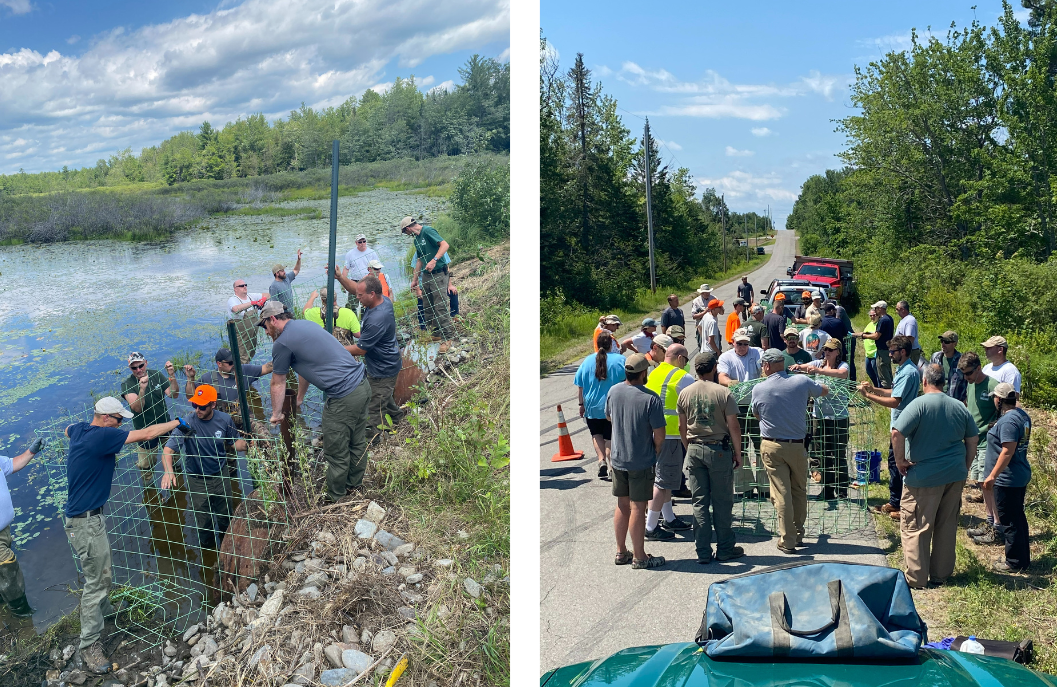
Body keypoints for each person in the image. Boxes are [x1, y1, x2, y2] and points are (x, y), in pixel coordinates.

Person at [63, 397, 181, 673]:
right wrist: (177, 422)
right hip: (86, 522)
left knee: (101, 570)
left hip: (83, 518)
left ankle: (104, 610)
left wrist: (76, 431)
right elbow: (148, 433)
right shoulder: (102, 437)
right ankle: (89, 644)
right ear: (105, 419)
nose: (120, 425)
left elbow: (68, 429)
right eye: (118, 420)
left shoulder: (81, 429)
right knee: (97, 580)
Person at [258, 300, 371, 501]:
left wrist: (276, 414)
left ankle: (336, 498)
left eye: (265, 326)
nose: (266, 332)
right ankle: (354, 485)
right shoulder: (304, 325)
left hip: (344, 395)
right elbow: (306, 367)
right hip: (362, 386)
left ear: (273, 320)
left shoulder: (282, 342)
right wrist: (300, 398)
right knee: (357, 441)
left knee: (336, 451)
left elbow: (277, 382)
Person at [890, 364, 978, 588]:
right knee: (946, 524)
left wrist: (900, 461)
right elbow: (972, 439)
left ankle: (917, 578)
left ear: (925, 381)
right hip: (954, 474)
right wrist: (965, 466)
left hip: (923, 477)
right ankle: (941, 574)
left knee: (917, 525)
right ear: (944, 382)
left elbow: (897, 432)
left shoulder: (918, 405)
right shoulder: (959, 406)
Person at [751, 349, 828, 554]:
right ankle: (799, 533)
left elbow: (757, 415)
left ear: (766, 366)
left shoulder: (759, 388)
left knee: (781, 493)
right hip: (798, 445)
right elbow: (824, 390)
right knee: (799, 491)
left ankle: (788, 540)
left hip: (772, 445)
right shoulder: (801, 382)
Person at [678, 350, 745, 564]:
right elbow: (733, 426)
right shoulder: (723, 393)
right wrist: (738, 452)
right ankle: (725, 547)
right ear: (714, 368)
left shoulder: (685, 393)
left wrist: (689, 447)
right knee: (722, 501)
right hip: (718, 449)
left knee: (699, 502)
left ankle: (703, 551)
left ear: (696, 370)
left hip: (695, 448)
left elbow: (682, 426)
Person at [162, 385, 247, 550]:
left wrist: (249, 445)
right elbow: (168, 450)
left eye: (201, 406)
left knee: (226, 516)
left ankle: (227, 549)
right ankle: (209, 554)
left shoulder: (224, 419)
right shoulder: (187, 424)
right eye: (194, 405)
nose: (197, 410)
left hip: (221, 474)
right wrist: (168, 470)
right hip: (197, 480)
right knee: (204, 522)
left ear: (213, 405)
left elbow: (234, 443)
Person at [606, 353, 666, 570]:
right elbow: (659, 434)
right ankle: (640, 556)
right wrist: (656, 451)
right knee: (638, 508)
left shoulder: (614, 391)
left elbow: (609, 417)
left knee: (622, 505)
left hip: (618, 458)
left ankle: (621, 551)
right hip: (640, 460)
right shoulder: (650, 398)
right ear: (643, 373)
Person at [335, 274, 407, 445]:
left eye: (361, 296)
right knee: (382, 395)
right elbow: (357, 289)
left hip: (384, 368)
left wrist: (335, 350)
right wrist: (339, 277)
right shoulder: (382, 300)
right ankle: (398, 417)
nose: (357, 297)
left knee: (373, 407)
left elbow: (360, 349)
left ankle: (373, 440)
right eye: (358, 294)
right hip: (382, 363)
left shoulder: (377, 318)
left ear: (372, 294)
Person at [858, 335, 921, 520]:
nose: (890, 355)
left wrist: (867, 397)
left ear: (903, 352)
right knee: (895, 463)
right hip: (898, 426)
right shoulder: (903, 369)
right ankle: (895, 502)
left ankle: (899, 504)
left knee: (898, 465)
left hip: (903, 428)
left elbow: (895, 401)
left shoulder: (909, 372)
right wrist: (873, 389)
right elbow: (894, 392)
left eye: (893, 352)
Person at [643, 344, 695, 542]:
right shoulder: (683, 377)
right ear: (681, 358)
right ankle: (651, 526)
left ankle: (669, 518)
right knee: (663, 481)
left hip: (651, 432)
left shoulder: (654, 373)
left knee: (661, 478)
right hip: (671, 434)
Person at [982, 382, 1032, 572]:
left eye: (995, 397)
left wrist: (992, 476)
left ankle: (1014, 563)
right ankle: (1022, 559)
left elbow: (1007, 451)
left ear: (999, 400)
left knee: (1009, 521)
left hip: (1007, 479)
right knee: (1017, 518)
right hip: (1018, 474)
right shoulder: (1022, 416)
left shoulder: (1009, 421)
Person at [791, 338, 850, 501]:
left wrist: (819, 371)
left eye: (831, 350)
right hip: (820, 416)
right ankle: (828, 489)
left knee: (838, 453)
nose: (827, 352)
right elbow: (805, 366)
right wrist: (798, 367)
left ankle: (842, 488)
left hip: (838, 417)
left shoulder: (843, 366)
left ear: (838, 352)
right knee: (822, 452)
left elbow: (842, 374)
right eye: (825, 350)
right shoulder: (818, 363)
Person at [717, 329, 765, 497]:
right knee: (740, 447)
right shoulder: (726, 357)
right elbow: (721, 375)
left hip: (756, 405)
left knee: (761, 446)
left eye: (746, 343)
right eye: (740, 343)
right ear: (733, 343)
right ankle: (744, 486)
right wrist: (729, 382)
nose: (743, 346)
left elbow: (765, 364)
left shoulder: (757, 352)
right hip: (737, 407)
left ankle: (764, 486)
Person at [0, 437, 44, 617]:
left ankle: (3, 600)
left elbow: (12, 464)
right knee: (7, 564)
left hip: (4, 529)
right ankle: (20, 610)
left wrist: (31, 451)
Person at [574, 330, 626, 480]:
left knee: (596, 434)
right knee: (610, 436)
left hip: (592, 405)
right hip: (613, 405)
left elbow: (580, 386)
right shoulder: (620, 360)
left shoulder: (587, 361)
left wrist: (581, 404)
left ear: (596, 345)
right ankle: (611, 466)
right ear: (611, 344)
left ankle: (601, 460)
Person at [957, 352, 1000, 527]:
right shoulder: (970, 384)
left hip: (986, 442)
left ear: (979, 368)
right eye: (964, 374)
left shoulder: (993, 386)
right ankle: (990, 520)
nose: (966, 377)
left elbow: (1004, 413)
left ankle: (997, 524)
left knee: (988, 483)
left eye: (969, 373)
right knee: (981, 483)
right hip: (972, 440)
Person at [401, 216, 456, 353]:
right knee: (428, 305)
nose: (406, 235)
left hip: (438, 274)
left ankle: (447, 337)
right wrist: (415, 278)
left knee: (440, 306)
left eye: (405, 232)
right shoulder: (416, 240)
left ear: (408, 228)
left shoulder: (428, 231)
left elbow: (445, 245)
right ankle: (436, 333)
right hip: (426, 275)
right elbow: (420, 259)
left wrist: (434, 260)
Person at [182, 349, 273, 425]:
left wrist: (283, 357)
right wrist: (190, 378)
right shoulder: (208, 378)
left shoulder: (243, 370)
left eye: (235, 361)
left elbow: (265, 368)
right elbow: (190, 396)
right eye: (230, 363)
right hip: (219, 422)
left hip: (245, 420)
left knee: (263, 435)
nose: (234, 364)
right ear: (219, 364)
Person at [121, 352, 179, 470]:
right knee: (146, 466)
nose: (138, 370)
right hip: (144, 432)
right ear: (130, 368)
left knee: (174, 460)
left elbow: (173, 394)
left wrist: (171, 375)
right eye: (134, 368)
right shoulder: (127, 384)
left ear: (146, 363)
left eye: (141, 365)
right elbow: (137, 408)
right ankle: (149, 486)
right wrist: (142, 389)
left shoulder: (156, 375)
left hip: (165, 425)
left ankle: (177, 481)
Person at [226, 279, 267, 363]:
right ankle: (239, 374)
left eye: (245, 285)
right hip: (241, 336)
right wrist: (252, 303)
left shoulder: (251, 296)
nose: (244, 287)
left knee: (251, 353)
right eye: (241, 286)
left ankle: (245, 372)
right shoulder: (232, 300)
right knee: (242, 356)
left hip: (252, 335)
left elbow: (268, 294)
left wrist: (263, 299)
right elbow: (235, 309)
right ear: (235, 289)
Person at [857, 300, 894, 388]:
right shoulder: (889, 318)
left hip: (882, 350)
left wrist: (864, 336)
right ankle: (890, 390)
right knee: (887, 371)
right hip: (887, 349)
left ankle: (885, 393)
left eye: (876, 308)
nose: (875, 310)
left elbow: (877, 336)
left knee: (883, 373)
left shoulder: (883, 320)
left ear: (880, 308)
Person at [341, 233, 380, 307]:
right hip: (354, 282)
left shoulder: (372, 253)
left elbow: (378, 267)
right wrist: (343, 282)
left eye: (364, 241)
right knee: (352, 305)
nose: (362, 243)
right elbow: (346, 268)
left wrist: (377, 280)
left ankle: (364, 318)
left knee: (367, 304)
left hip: (368, 282)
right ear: (356, 243)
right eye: (360, 242)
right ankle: (353, 317)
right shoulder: (350, 254)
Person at [930, 331, 966, 403]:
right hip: (936, 400)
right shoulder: (935, 357)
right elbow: (929, 378)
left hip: (955, 402)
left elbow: (968, 382)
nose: (943, 344)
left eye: (946, 342)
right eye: (942, 341)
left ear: (954, 344)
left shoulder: (962, 360)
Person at [690, 284, 712, 350]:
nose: (708, 294)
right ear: (702, 293)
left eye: (708, 292)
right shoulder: (696, 301)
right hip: (701, 327)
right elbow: (694, 316)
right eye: (706, 292)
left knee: (715, 343)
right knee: (702, 344)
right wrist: (704, 312)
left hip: (712, 325)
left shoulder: (713, 298)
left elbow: (721, 312)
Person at [862, 307, 880, 387]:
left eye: (874, 315)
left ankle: (880, 390)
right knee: (869, 371)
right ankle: (876, 387)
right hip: (868, 353)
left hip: (875, 353)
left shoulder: (879, 324)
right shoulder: (869, 325)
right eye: (871, 315)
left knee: (878, 373)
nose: (872, 317)